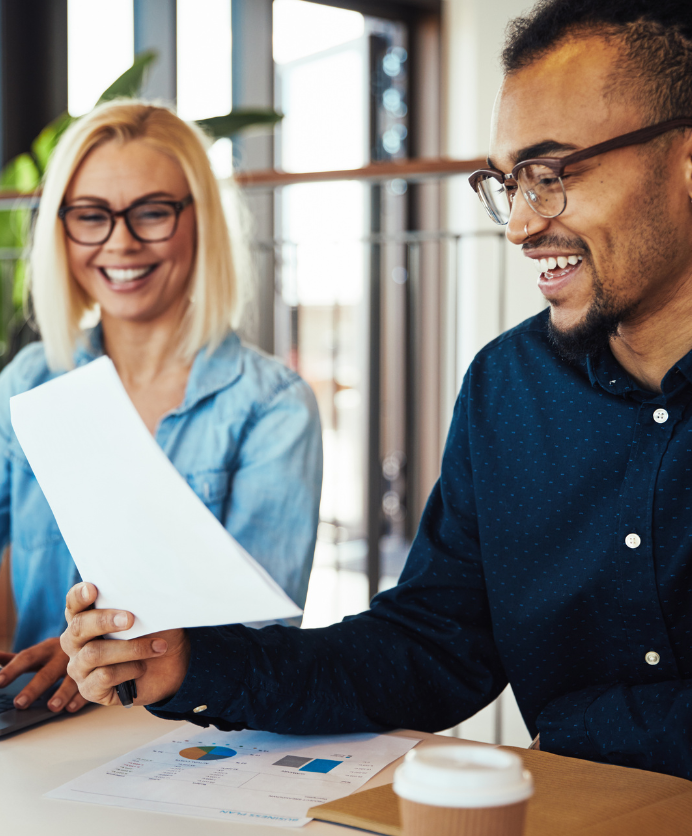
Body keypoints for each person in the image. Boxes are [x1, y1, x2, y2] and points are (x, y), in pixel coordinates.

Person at [60, 0, 692, 780]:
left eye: (551, 175)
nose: (521, 226)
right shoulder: (509, 389)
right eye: (508, 183)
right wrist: (193, 664)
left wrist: (598, 742)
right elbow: (431, 644)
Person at [0, 101, 322, 716]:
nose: (120, 241)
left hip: (191, 740)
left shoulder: (271, 406)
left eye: (151, 212)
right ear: (63, 229)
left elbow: (261, 636)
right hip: (43, 726)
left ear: (200, 221)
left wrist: (106, 654)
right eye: (91, 215)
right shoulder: (28, 384)